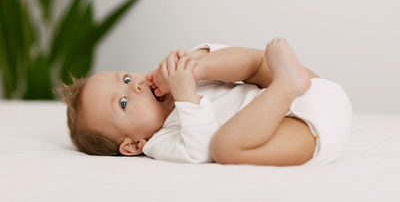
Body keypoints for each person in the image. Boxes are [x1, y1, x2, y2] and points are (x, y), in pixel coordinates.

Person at [59, 37, 352, 166]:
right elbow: (198, 150)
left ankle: (281, 80)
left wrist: (192, 66)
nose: (135, 86)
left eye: (125, 79)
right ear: (133, 145)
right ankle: (285, 85)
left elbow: (239, 66)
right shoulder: (158, 142)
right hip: (309, 131)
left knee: (249, 66)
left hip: (314, 89)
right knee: (223, 148)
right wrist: (186, 94)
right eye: (123, 104)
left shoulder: (175, 86)